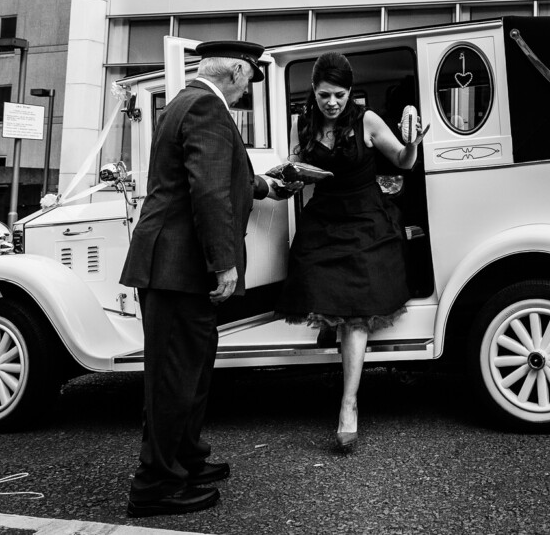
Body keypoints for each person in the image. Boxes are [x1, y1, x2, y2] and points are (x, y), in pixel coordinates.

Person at [120, 40, 282, 518]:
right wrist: (224, 263)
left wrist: (266, 184)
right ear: (236, 69)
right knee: (173, 379)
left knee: (189, 373)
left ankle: (185, 459)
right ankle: (156, 486)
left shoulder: (186, 102)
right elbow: (207, 190)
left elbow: (217, 172)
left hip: (174, 268)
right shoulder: (208, 108)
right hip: (179, 269)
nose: (250, 87)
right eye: (251, 76)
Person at [273, 52, 428, 453]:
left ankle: (348, 404)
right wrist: (289, 178)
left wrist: (412, 144)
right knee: (318, 287)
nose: (332, 103)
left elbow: (404, 162)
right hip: (323, 219)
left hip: (366, 219)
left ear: (350, 92)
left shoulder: (369, 121)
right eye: (325, 95)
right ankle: (335, 328)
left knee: (356, 312)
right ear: (314, 91)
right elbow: (295, 171)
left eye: (339, 95)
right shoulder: (301, 123)